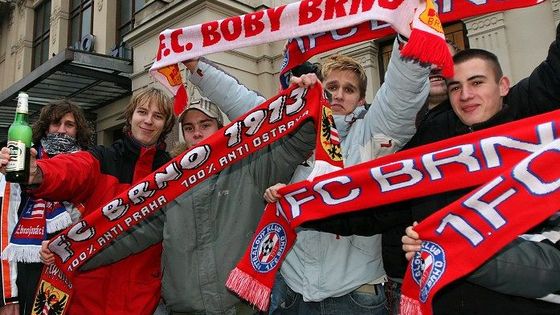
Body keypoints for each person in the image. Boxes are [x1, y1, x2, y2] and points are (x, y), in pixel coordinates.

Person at [304, 22, 560, 315]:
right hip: (434, 295)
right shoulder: (426, 138)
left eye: (476, 82)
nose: (465, 94)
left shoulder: (523, 114)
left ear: (502, 86)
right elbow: (379, 199)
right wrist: (304, 207)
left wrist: (456, 247)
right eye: (456, 86)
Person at [67, 59, 317, 314]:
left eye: (205, 125)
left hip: (240, 307)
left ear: (221, 128)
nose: (197, 133)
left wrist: (304, 99)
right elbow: (134, 232)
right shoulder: (171, 179)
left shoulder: (251, 164)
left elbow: (296, 143)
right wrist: (71, 253)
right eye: (189, 128)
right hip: (182, 308)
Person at [262, 34, 431, 315]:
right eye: (331, 87)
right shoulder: (297, 133)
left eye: (349, 89)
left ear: (361, 98)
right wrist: (199, 71)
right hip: (292, 290)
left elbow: (401, 96)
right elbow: (246, 110)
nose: (338, 95)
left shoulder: (373, 134)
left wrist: (409, 36)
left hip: (354, 294)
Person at [1, 87, 176, 315]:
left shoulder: (173, 171)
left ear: (166, 125)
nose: (148, 121)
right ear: (131, 116)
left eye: (158, 116)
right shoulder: (102, 158)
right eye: (142, 112)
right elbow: (71, 169)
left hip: (142, 299)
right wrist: (38, 173)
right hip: (88, 297)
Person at [0, 100, 92, 315]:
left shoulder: (89, 163)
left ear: (78, 131)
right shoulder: (20, 160)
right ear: (45, 127)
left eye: (69, 125)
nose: (61, 130)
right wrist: (7, 295)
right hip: (28, 270)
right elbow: (4, 227)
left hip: (74, 270)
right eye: (55, 123)